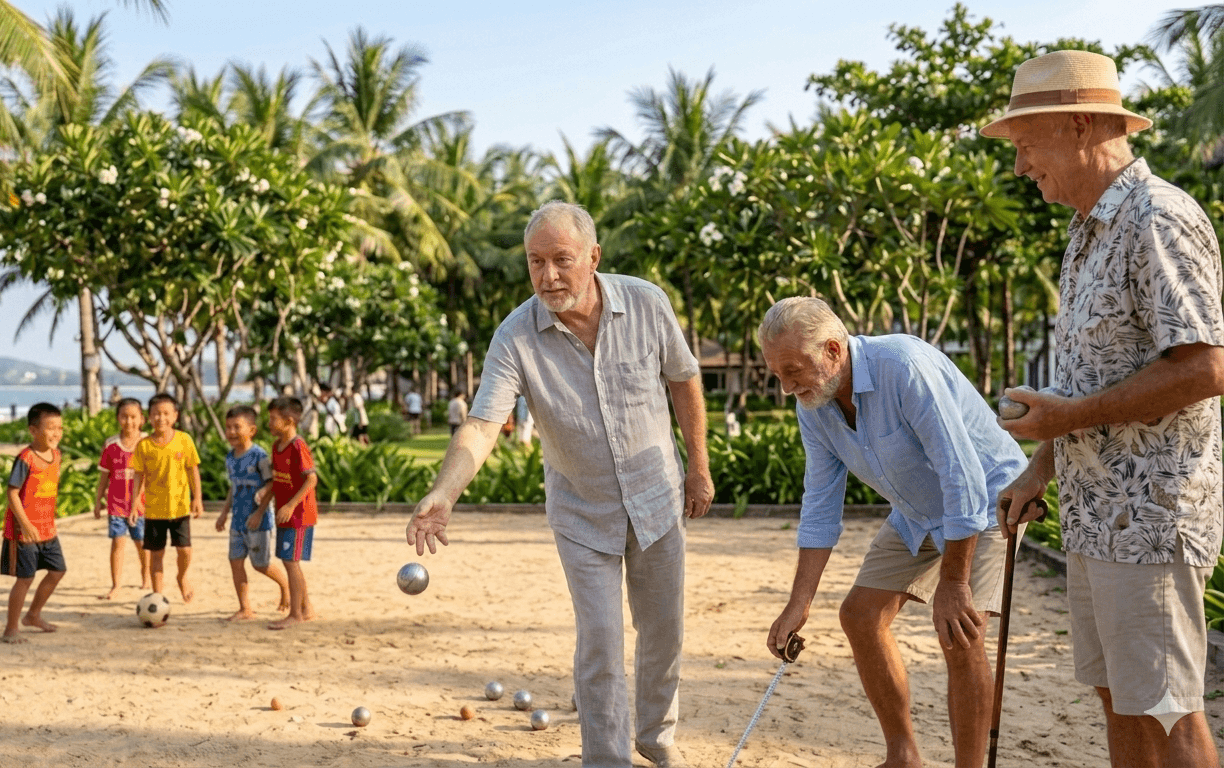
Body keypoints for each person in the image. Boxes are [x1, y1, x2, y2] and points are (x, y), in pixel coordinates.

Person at [406, 201, 713, 768]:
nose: (548, 276)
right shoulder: (515, 336)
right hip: (581, 513)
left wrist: (699, 465)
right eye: (535, 262)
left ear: (594, 257)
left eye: (562, 260)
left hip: (657, 496)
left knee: (663, 634)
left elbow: (685, 379)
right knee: (600, 641)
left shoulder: (646, 302)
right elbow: (481, 424)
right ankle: (607, 758)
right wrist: (444, 492)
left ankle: (656, 737)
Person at [985, 50, 1224, 767]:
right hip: (1097, 517)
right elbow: (1090, 380)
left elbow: (1207, 365)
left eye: (1027, 144)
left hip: (1151, 517)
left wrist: (1065, 418)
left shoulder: (1157, 216)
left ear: (1082, 125)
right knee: (1119, 698)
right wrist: (1041, 466)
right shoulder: (1086, 231)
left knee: (1165, 708)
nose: (1022, 166)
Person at [759, 296, 1028, 768]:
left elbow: (961, 476)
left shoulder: (903, 366)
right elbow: (821, 506)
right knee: (860, 616)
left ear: (833, 351)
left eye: (793, 370)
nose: (786, 387)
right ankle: (903, 756)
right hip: (917, 510)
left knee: (959, 631)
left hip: (987, 503)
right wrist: (797, 604)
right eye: (777, 374)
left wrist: (954, 582)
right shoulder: (814, 404)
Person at [215, 404, 292, 621]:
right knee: (235, 561)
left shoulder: (260, 456)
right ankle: (245, 608)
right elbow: (233, 487)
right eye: (228, 427)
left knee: (260, 564)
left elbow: (272, 484)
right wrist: (223, 513)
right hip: (237, 522)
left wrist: (259, 512)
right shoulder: (230, 458)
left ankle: (285, 585)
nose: (231, 432)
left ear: (251, 430)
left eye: (236, 427)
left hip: (259, 522)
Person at [0, 402, 67, 643]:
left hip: (48, 529)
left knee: (58, 571)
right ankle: (11, 628)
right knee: (25, 579)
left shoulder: (57, 455)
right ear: (33, 430)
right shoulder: (26, 458)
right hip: (24, 532)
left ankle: (33, 615)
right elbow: (12, 493)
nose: (56, 433)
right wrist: (26, 525)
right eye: (50, 428)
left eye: (60, 427)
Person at [130, 392, 204, 604]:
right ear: (148, 417)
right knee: (156, 555)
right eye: (156, 414)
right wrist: (135, 500)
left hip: (180, 508)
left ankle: (182, 577)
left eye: (165, 413)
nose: (161, 418)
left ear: (175, 416)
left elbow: (193, 470)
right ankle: (157, 596)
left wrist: (197, 498)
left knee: (184, 551)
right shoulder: (144, 445)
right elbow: (138, 474)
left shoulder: (184, 440)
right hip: (154, 509)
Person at [264, 397, 318, 630]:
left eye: (273, 419)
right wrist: (263, 506)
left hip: (299, 516)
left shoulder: (298, 445)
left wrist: (290, 506)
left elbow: (311, 479)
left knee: (291, 562)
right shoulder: (276, 447)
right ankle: (307, 609)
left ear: (288, 421)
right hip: (284, 514)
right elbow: (278, 482)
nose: (269, 423)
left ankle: (295, 613)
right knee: (290, 563)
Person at [93, 398, 149, 600]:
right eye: (124, 416)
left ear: (141, 419)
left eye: (133, 417)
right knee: (118, 543)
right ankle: (116, 584)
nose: (129, 421)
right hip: (116, 505)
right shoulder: (111, 445)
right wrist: (98, 501)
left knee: (142, 543)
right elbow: (103, 478)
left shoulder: (147, 442)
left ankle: (146, 575)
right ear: (118, 419)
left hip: (142, 506)